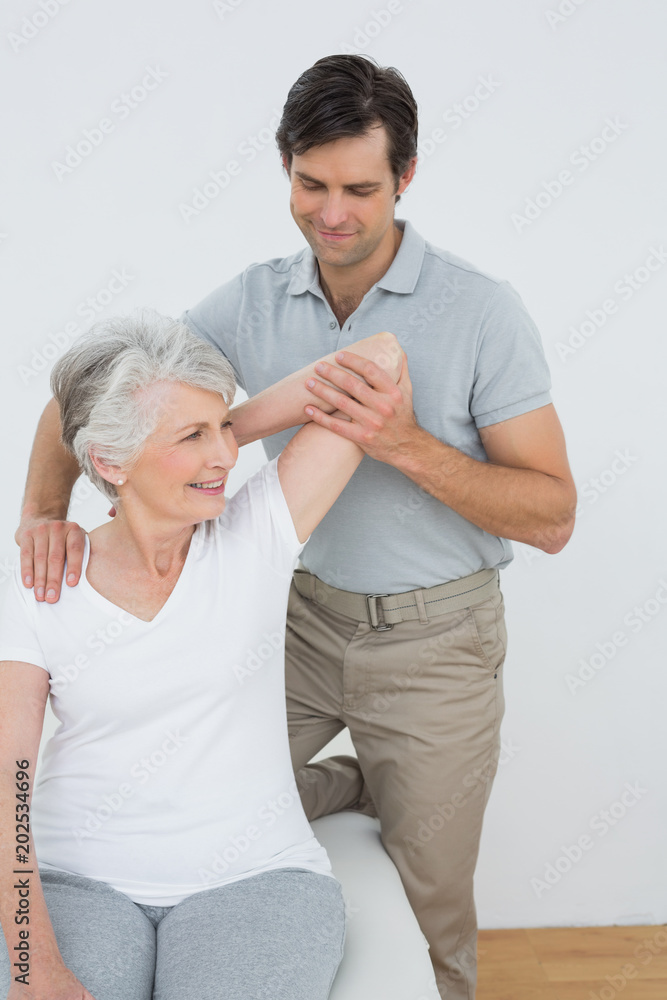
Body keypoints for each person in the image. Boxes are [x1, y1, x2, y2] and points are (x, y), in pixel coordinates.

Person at [14, 56, 577, 1000]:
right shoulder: (249, 300)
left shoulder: (480, 311)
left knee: (429, 884)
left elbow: (554, 517)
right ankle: (346, 782)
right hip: (297, 620)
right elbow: (101, 394)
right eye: (310, 185)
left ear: (405, 178)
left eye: (360, 188)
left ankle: (384, 808)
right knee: (176, 788)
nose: (333, 213)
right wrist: (49, 512)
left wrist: (399, 445)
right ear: (285, 170)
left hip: (435, 639)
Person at [0, 312, 402, 999]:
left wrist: (211, 424)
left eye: (224, 431)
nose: (225, 456)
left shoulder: (257, 533)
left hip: (256, 880)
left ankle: (337, 783)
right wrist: (36, 966)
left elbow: (382, 359)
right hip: (78, 881)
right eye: (193, 437)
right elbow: (8, 791)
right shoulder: (40, 581)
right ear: (108, 460)